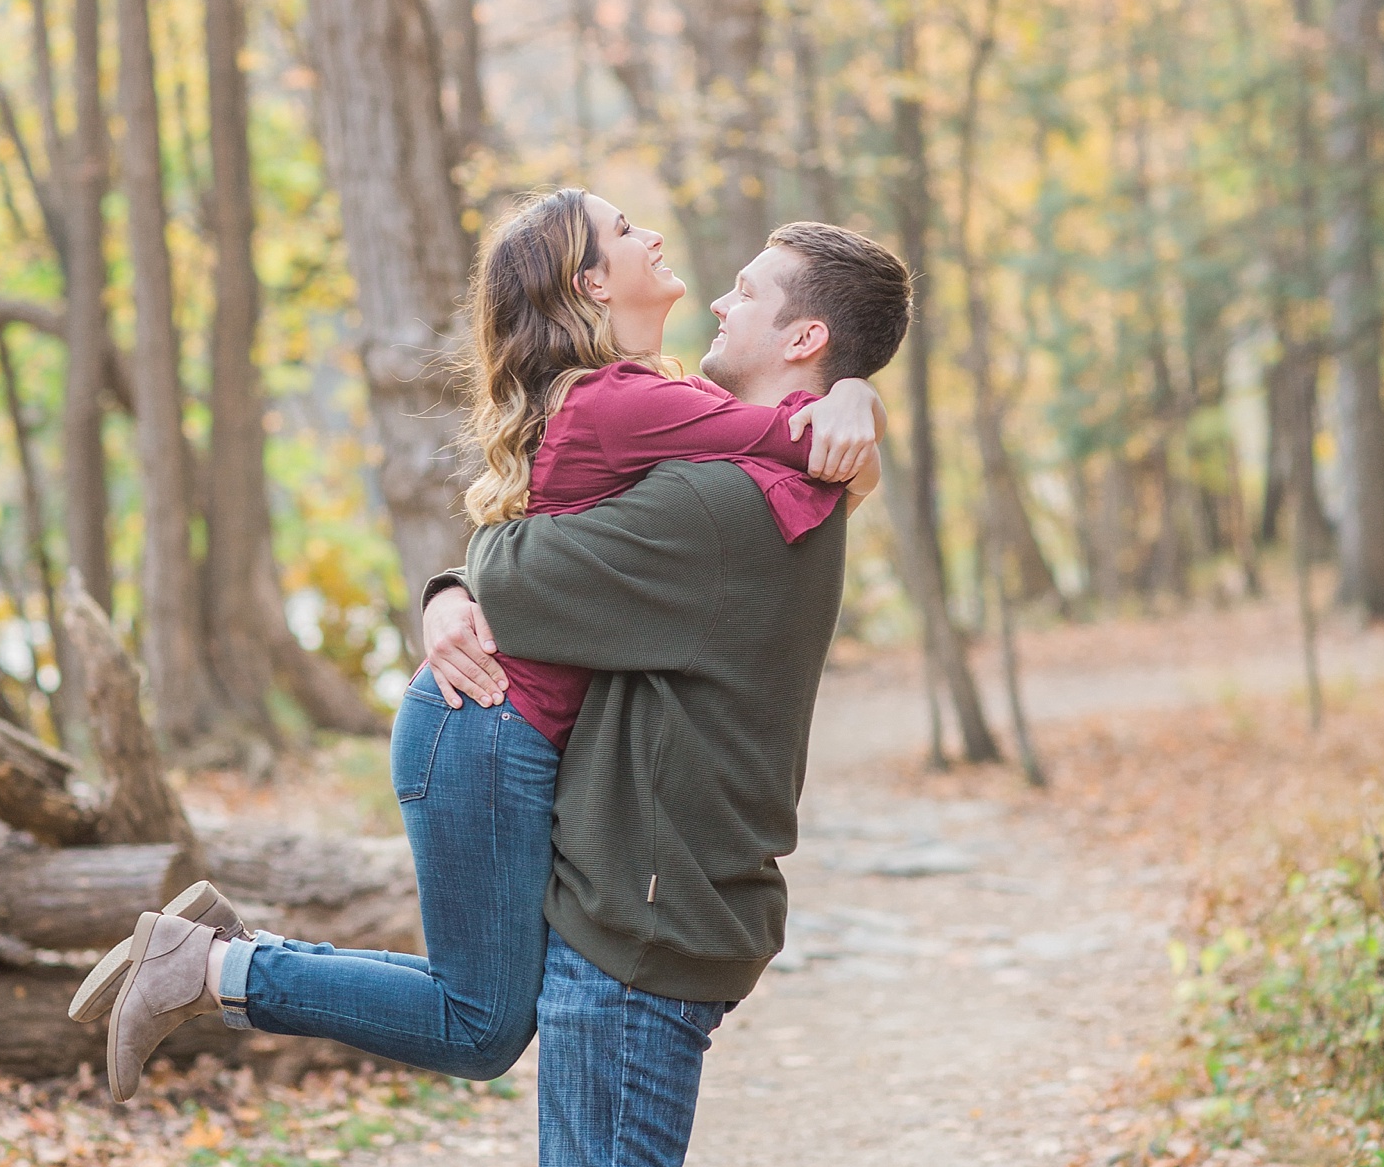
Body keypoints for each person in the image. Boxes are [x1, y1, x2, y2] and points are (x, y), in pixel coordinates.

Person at [69, 190, 887, 1105]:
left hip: (501, 724)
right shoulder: (619, 400)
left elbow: (781, 457)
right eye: (624, 232)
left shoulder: (657, 397)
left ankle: (218, 959)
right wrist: (855, 403)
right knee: (480, 1023)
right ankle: (217, 969)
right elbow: (792, 439)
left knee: (484, 1017)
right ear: (588, 281)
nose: (652, 234)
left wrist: (854, 393)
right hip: (486, 724)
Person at [417, 217, 911, 1167]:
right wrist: (455, 583)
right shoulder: (754, 471)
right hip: (658, 883)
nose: (725, 292)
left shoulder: (724, 504)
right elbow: (516, 551)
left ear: (804, 342)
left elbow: (514, 569)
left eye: (753, 290)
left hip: (648, 903)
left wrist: (452, 587)